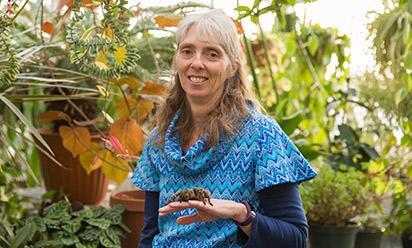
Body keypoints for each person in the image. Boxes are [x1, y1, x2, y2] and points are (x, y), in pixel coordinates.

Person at [131, 9, 317, 248]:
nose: (196, 63)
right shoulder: (160, 139)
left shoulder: (260, 135)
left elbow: (295, 238)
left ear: (232, 66)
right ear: (177, 60)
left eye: (212, 54)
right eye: (187, 51)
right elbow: (150, 234)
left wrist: (240, 214)